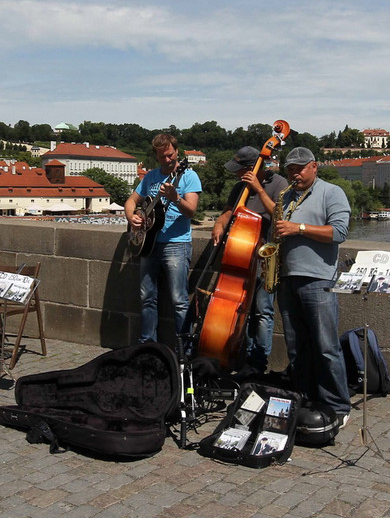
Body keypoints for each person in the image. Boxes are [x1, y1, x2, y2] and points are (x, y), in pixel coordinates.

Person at [272, 146, 352, 426]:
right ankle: (304, 398)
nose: (294, 174)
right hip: (288, 277)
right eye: (290, 169)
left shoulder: (331, 192)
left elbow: (339, 232)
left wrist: (299, 228)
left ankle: (338, 407)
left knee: (326, 347)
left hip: (318, 279)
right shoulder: (287, 197)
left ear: (314, 167)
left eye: (300, 168)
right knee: (297, 346)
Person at [211, 146, 288, 374]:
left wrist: (258, 190)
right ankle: (242, 355)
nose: (236, 174)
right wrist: (219, 224)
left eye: (239, 170)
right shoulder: (239, 188)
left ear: (253, 167)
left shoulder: (279, 184)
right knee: (243, 308)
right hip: (242, 254)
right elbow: (228, 211)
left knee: (263, 310)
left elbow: (280, 215)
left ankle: (259, 360)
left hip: (266, 256)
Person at [125, 133, 202, 343]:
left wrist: (175, 198)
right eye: (162, 157)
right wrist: (132, 218)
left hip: (176, 244)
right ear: (156, 157)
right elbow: (131, 201)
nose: (167, 160)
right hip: (149, 244)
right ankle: (148, 345)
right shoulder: (150, 176)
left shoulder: (188, 176)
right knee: (147, 297)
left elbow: (191, 211)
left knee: (179, 300)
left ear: (177, 151)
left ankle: (183, 349)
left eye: (170, 155)